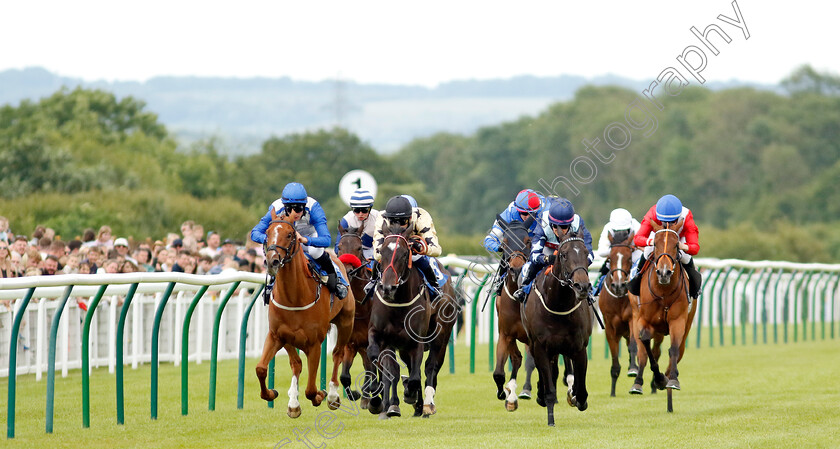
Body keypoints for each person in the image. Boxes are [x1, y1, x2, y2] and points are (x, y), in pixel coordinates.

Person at [250, 182, 347, 302]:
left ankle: (337, 280)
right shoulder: (276, 208)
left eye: (298, 208)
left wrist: (306, 240)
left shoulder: (314, 208)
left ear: (305, 205)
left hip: (309, 237)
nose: (293, 213)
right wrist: (271, 240)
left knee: (315, 252)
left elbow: (326, 240)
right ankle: (271, 283)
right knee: (277, 253)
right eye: (289, 208)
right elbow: (255, 233)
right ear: (284, 205)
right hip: (286, 241)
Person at [513, 197, 593, 303]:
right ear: (550, 222)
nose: (559, 230)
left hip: (570, 254)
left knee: (580, 265)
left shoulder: (578, 224)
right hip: (549, 250)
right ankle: (524, 288)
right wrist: (547, 259)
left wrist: (578, 263)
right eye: (555, 226)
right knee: (529, 267)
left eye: (564, 226)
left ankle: (589, 292)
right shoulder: (543, 222)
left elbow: (590, 254)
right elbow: (534, 255)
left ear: (570, 223)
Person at [627, 194, 702, 300]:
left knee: (686, 257)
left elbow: (695, 248)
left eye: (672, 222)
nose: (667, 225)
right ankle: (637, 280)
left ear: (678, 217)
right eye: (664, 221)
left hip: (679, 239)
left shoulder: (687, 216)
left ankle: (695, 289)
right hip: (658, 239)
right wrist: (652, 241)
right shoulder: (652, 213)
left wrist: (682, 246)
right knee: (647, 252)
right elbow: (638, 238)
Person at [368, 195, 443, 299]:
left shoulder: (421, 217)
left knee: (420, 259)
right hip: (392, 248)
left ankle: (435, 286)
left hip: (413, 250)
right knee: (382, 258)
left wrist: (420, 247)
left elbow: (436, 250)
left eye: (402, 222)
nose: (397, 225)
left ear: (411, 217)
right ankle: (372, 282)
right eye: (393, 221)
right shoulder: (382, 218)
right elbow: (377, 254)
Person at [483, 189, 546, 295]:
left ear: (536, 211)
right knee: (508, 250)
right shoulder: (509, 214)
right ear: (517, 210)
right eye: (524, 213)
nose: (527, 217)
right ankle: (501, 280)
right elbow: (489, 240)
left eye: (530, 214)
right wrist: (500, 247)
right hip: (519, 246)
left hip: (541, 241)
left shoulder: (545, 213)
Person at [592, 208, 642, 295]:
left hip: (634, 254)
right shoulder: (608, 228)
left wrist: (629, 249)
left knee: (639, 263)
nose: (620, 233)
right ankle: (596, 289)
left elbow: (646, 248)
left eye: (624, 229)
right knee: (609, 264)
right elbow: (602, 252)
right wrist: (619, 250)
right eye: (617, 230)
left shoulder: (637, 227)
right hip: (617, 255)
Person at [334, 189, 380, 261]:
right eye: (357, 210)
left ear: (370, 209)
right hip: (353, 253)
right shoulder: (346, 220)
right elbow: (337, 246)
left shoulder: (378, 217)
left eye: (364, 210)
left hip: (373, 251)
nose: (360, 214)